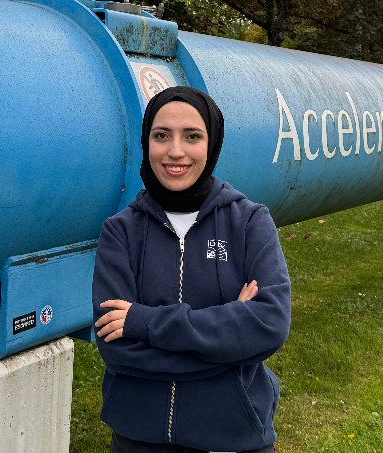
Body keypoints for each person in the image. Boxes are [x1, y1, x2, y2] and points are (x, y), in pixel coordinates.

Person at [92, 86, 291, 453]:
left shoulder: (250, 222)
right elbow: (117, 350)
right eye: (161, 135)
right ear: (146, 142)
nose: (175, 151)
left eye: (192, 136)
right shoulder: (120, 231)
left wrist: (143, 322)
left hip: (233, 440)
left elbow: (269, 325)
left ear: (212, 143)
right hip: (139, 441)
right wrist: (228, 344)